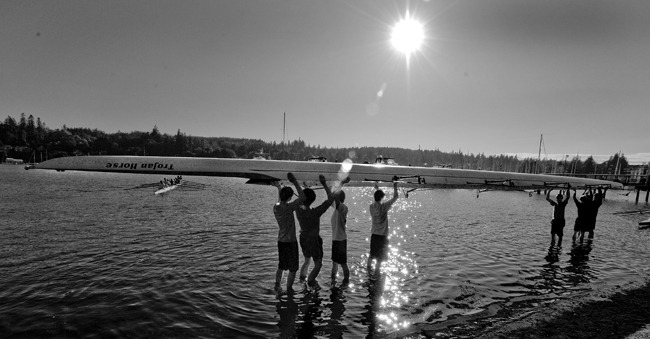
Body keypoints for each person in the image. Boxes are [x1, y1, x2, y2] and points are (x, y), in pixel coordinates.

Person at [296, 174, 334, 289]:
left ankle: (302, 279)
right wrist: (324, 184)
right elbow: (331, 199)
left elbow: (301, 197)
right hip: (313, 240)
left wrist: (299, 185)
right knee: (318, 263)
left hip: (303, 238)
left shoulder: (297, 209)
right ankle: (311, 280)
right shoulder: (315, 212)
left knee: (307, 260)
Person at [273, 173, 305, 294]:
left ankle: (277, 286)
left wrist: (279, 188)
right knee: (293, 268)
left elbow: (280, 201)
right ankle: (289, 289)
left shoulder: (276, 208)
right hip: (290, 242)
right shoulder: (290, 207)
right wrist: (294, 181)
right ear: (290, 198)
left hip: (281, 241)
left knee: (281, 266)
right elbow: (302, 197)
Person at [367, 179, 399, 278]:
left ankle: (368, 272)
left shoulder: (371, 207)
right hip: (382, 236)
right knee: (380, 258)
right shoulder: (384, 207)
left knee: (372, 255)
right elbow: (395, 197)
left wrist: (377, 189)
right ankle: (376, 274)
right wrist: (395, 186)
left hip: (374, 235)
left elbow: (377, 200)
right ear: (381, 198)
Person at [330, 189, 350, 286]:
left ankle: (346, 282)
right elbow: (330, 199)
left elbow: (335, 199)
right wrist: (328, 187)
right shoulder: (337, 208)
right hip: (336, 240)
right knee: (334, 263)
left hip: (340, 240)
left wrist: (338, 187)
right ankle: (333, 282)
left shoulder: (342, 207)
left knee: (342, 263)